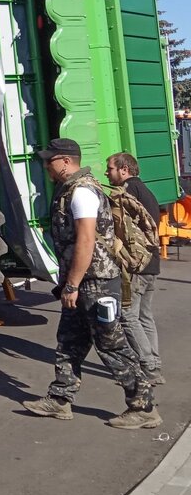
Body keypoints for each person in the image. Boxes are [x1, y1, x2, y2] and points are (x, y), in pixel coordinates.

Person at [23, 138, 160, 429]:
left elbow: (86, 240)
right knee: (70, 342)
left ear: (65, 161)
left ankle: (143, 407)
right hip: (83, 283)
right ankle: (60, 399)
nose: (46, 166)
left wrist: (71, 285)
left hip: (95, 284)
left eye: (50, 160)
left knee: (111, 346)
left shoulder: (82, 192)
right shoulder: (72, 188)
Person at [105, 152, 164, 385]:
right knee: (144, 316)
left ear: (124, 170)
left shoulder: (126, 192)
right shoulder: (146, 192)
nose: (107, 173)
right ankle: (155, 364)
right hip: (152, 264)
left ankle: (148, 366)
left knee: (128, 316)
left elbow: (121, 228)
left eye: (110, 169)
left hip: (136, 266)